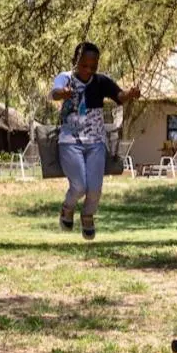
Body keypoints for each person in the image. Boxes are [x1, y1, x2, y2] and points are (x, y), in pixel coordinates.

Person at [49, 41, 141, 240]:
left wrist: (131, 94)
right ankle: (68, 207)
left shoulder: (101, 81)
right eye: (84, 65)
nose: (89, 70)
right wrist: (63, 93)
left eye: (93, 66)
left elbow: (119, 96)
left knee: (95, 189)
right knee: (79, 186)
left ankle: (88, 215)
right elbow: (55, 93)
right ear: (75, 61)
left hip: (96, 142)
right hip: (70, 142)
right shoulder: (65, 78)